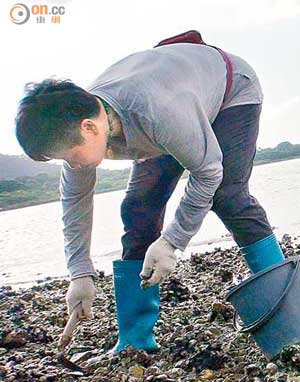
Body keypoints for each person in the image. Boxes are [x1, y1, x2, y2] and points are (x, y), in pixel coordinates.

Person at [15, 33, 284, 353]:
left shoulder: (156, 110)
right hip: (171, 110)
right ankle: (133, 339)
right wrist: (79, 274)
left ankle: (284, 305)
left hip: (230, 90)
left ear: (89, 127)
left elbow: (208, 171)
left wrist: (172, 242)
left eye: (68, 156)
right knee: (138, 208)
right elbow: (75, 202)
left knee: (229, 196)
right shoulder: (79, 127)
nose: (70, 165)